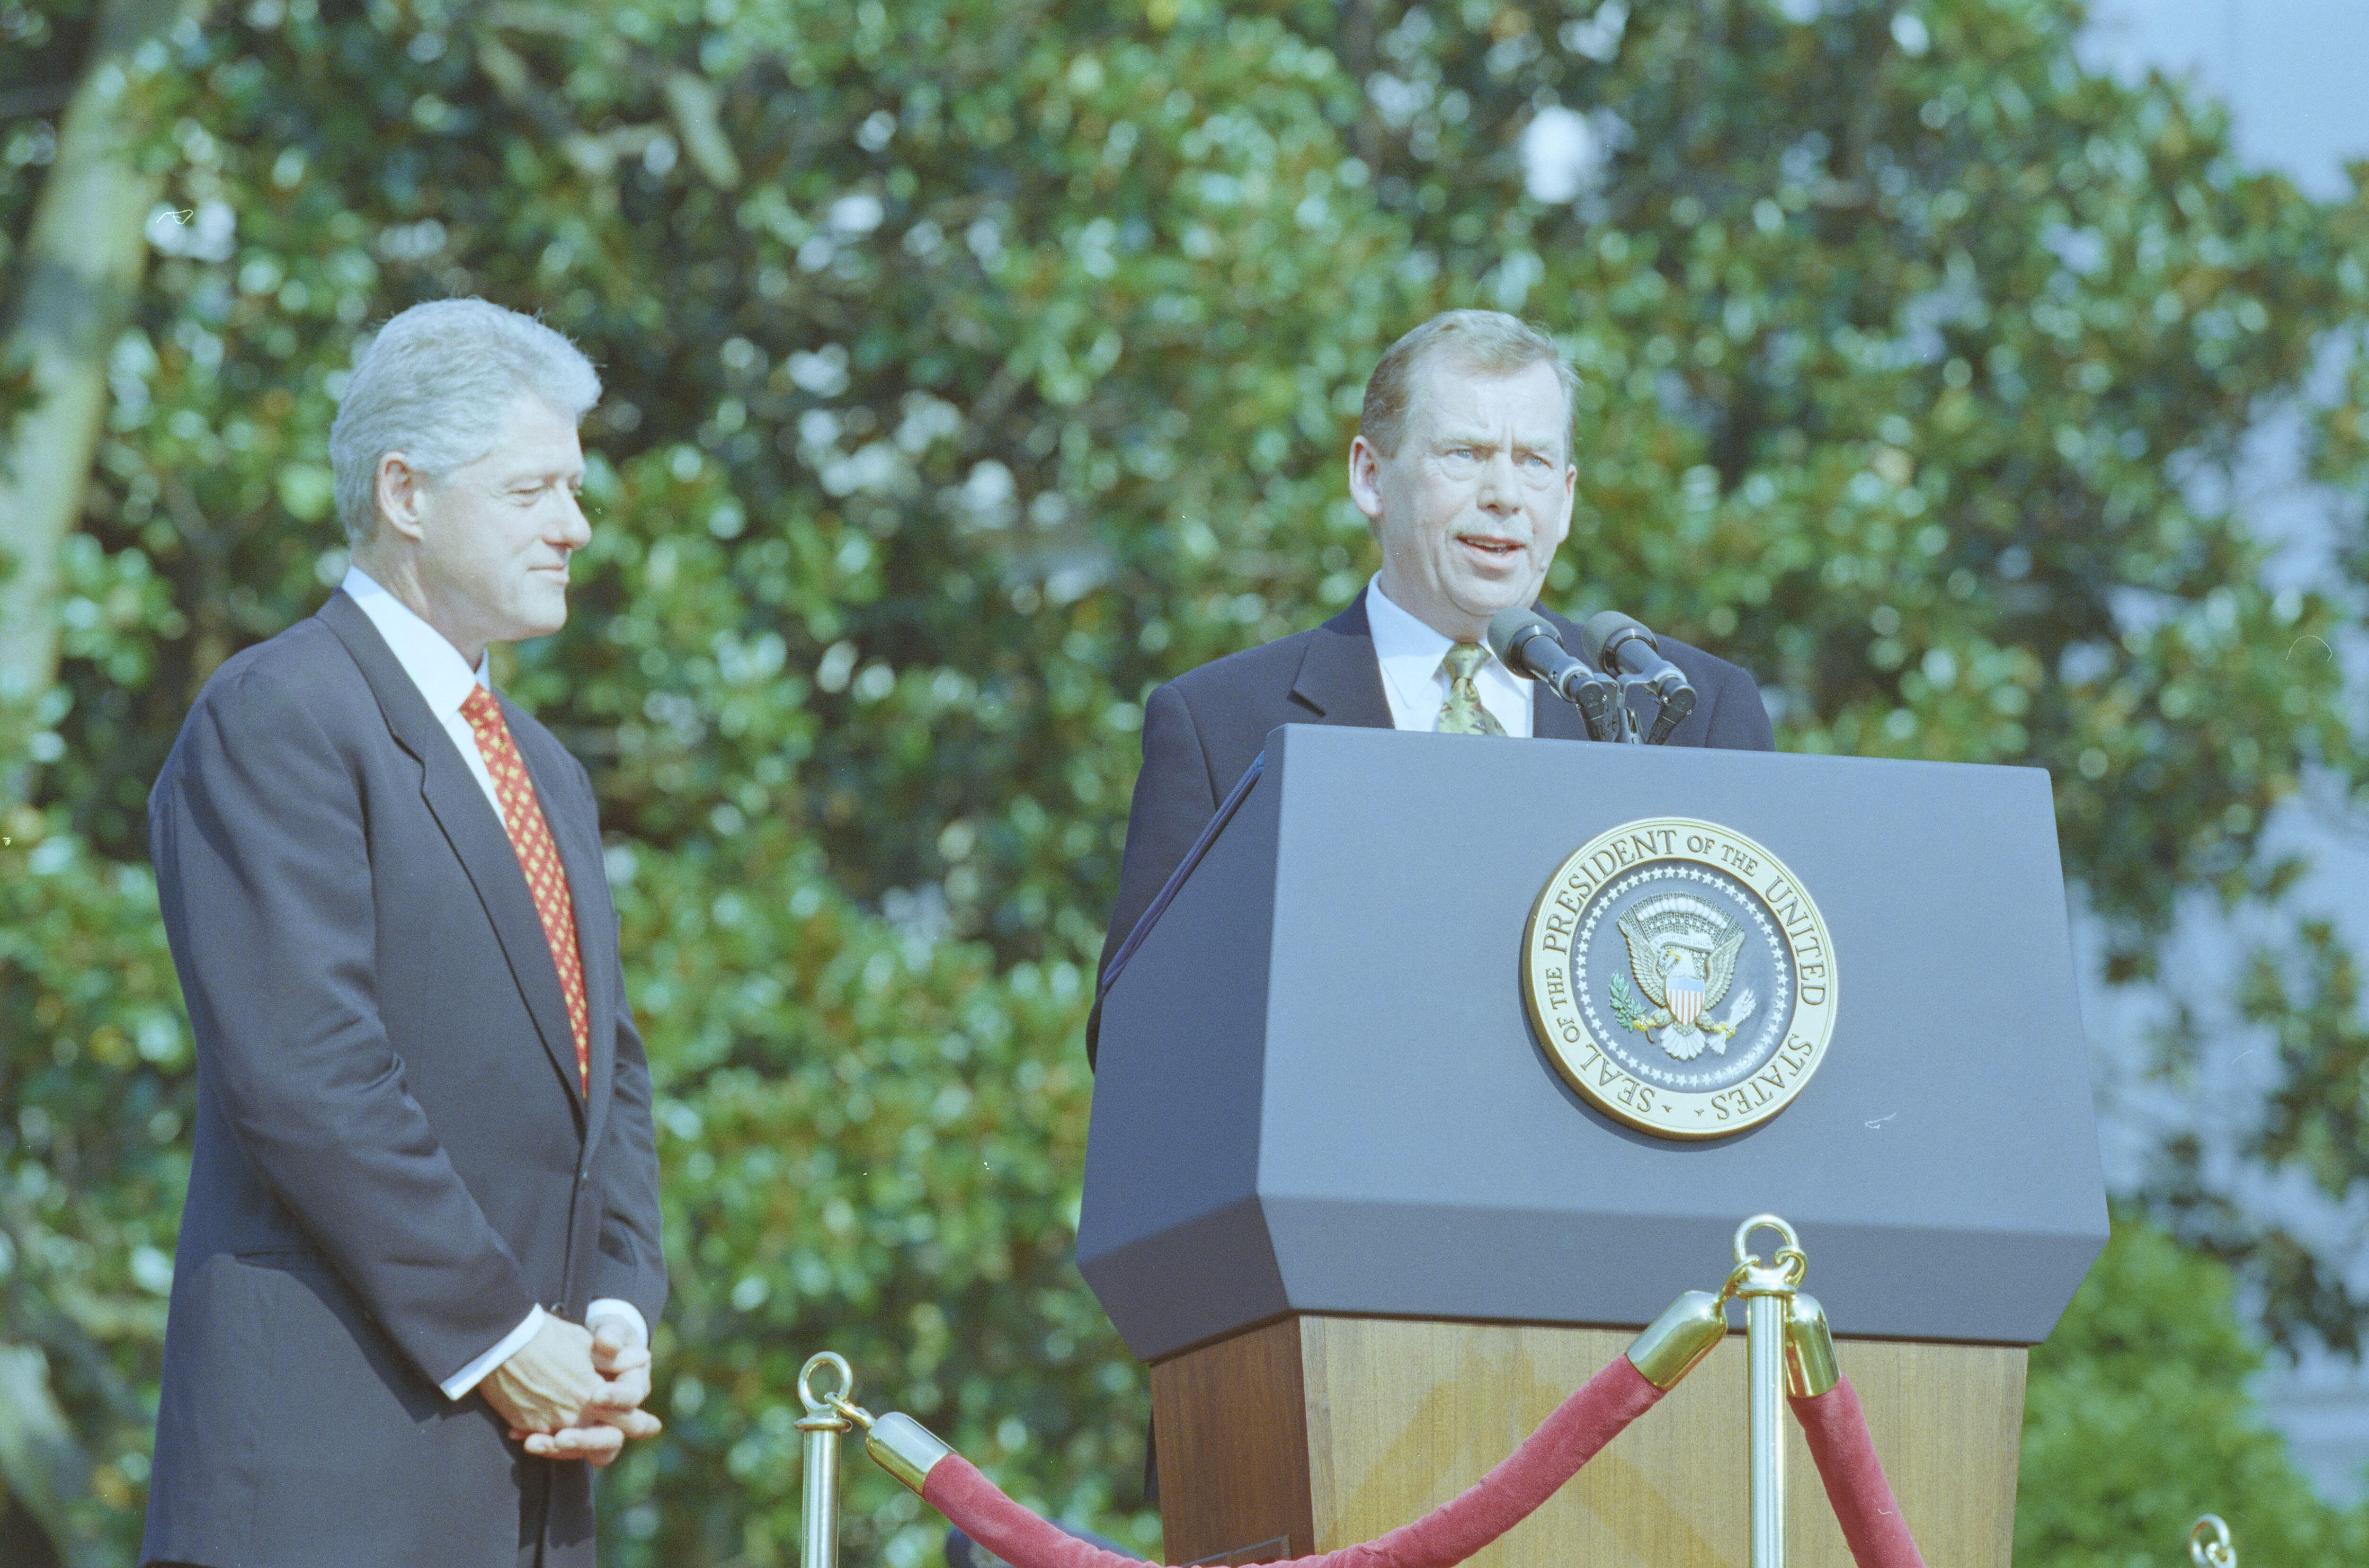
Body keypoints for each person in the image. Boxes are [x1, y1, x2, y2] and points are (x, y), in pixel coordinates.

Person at [142, 299, 667, 1568]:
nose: (574, 527)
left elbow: (612, 1075)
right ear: (406, 493)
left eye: (577, 489)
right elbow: (311, 1073)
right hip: (331, 1488)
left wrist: (612, 1305)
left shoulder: (546, 769)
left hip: (528, 1497)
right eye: (534, 487)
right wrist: (502, 1336)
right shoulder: (277, 715)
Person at [1092, 310, 1774, 1064]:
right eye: (1466, 454)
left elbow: (1754, 1001)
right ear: (1370, 476)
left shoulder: (1687, 708)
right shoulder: (1220, 724)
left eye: (1536, 462)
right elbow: (1143, 1030)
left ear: (1569, 498)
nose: (1506, 494)